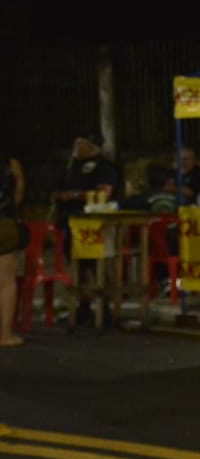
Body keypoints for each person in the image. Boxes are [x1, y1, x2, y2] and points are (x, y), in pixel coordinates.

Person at [52, 131, 123, 329]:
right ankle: (83, 306)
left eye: (80, 144)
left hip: (96, 224)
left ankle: (105, 308)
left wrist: (74, 195)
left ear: (92, 146)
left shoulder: (104, 167)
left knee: (97, 264)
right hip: (72, 222)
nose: (76, 148)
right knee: (79, 265)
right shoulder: (71, 166)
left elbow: (104, 193)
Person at [1, 147, 26, 347]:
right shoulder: (11, 164)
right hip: (4, 223)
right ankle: (5, 336)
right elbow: (17, 197)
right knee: (6, 282)